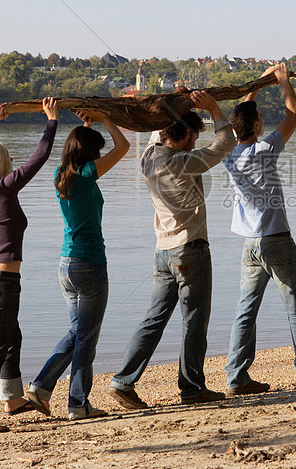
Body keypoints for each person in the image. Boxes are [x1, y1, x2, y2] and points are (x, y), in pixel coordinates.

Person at [109, 90, 235, 408]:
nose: (195, 143)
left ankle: (123, 381)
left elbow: (158, 132)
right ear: (187, 135)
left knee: (153, 318)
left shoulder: (149, 157)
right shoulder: (183, 162)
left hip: (162, 252)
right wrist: (214, 108)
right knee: (194, 320)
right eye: (194, 137)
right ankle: (192, 388)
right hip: (190, 250)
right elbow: (225, 144)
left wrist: (176, 103)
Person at [222, 63, 296, 396]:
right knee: (295, 306)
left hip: (250, 245)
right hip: (276, 240)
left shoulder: (230, 156)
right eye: (260, 117)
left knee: (245, 310)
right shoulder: (265, 150)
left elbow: (242, 120)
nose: (262, 120)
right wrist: (284, 81)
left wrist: (257, 86)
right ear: (257, 126)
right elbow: (294, 114)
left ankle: (236, 376)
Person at [0, 97, 58, 435]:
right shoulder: (4, 189)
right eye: (7, 158)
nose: (12, 162)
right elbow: (39, 157)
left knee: (11, 336)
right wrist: (51, 121)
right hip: (0, 283)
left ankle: (12, 398)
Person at [25, 110, 130, 420]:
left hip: (66, 264)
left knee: (77, 332)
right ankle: (78, 404)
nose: (99, 156)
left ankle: (41, 388)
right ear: (89, 154)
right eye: (95, 151)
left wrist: (87, 127)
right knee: (86, 338)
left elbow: (81, 150)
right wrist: (107, 120)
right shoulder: (86, 175)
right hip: (90, 263)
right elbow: (123, 147)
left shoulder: (61, 175)